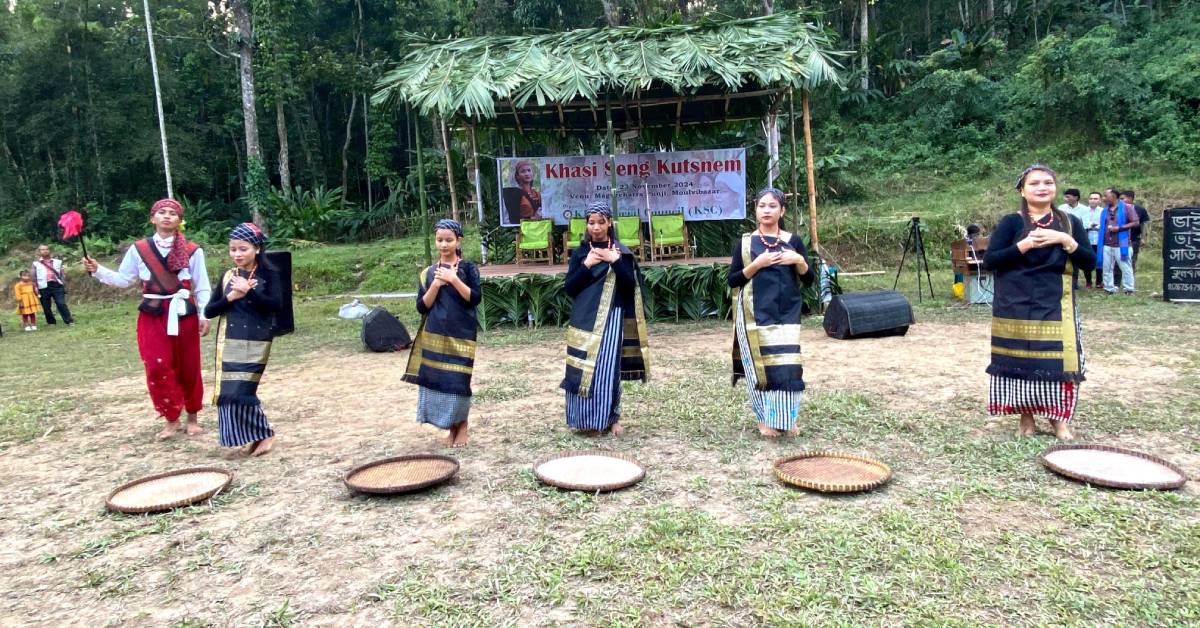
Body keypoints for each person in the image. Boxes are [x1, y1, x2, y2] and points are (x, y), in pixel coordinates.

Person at [83, 198, 211, 440]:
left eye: (172, 213)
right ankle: (171, 418)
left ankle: (192, 417)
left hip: (183, 311)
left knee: (189, 365)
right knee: (156, 365)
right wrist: (97, 269)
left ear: (179, 221)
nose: (166, 216)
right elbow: (124, 279)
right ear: (153, 218)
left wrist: (205, 314)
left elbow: (202, 286)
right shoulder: (139, 249)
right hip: (152, 314)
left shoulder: (193, 250)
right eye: (161, 212)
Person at [983, 165, 1094, 441]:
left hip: (1056, 303)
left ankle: (1059, 420)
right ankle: (1026, 417)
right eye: (1034, 183)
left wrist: (1065, 240)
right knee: (1021, 361)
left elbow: (1090, 262)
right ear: (1023, 190)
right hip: (1015, 304)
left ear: (1055, 188)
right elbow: (991, 261)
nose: (1042, 187)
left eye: (1048, 182)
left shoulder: (1069, 223)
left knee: (1059, 363)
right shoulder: (1012, 222)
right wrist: (1024, 245)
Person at [728, 187, 815, 438]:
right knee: (760, 368)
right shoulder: (745, 243)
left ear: (782, 210)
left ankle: (787, 419)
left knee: (788, 367)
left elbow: (809, 280)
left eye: (772, 206)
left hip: (787, 313)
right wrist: (757, 264)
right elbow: (733, 281)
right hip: (754, 315)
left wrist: (798, 260)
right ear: (755, 210)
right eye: (762, 206)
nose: (766, 210)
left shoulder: (793, 241)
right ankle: (765, 420)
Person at [561, 201, 649, 436]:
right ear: (586, 224)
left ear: (610, 223)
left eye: (601, 222)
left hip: (612, 316)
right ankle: (584, 420)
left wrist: (615, 260)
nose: (596, 227)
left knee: (607, 370)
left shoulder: (621, 251)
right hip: (584, 318)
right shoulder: (581, 252)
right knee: (582, 369)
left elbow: (630, 286)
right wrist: (587, 265)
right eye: (591, 222)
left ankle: (609, 418)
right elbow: (570, 288)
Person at [205, 223, 282, 457]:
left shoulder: (269, 274)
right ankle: (253, 437)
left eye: (243, 249)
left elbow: (275, 305)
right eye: (233, 250)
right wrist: (230, 296)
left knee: (243, 389)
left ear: (256, 249)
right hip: (230, 339)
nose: (237, 254)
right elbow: (210, 311)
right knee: (228, 392)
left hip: (257, 339)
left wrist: (250, 292)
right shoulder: (228, 276)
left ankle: (265, 434)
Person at [403, 219, 481, 448]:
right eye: (439, 240)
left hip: (461, 334)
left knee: (458, 381)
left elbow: (474, 298)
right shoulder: (428, 273)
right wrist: (436, 285)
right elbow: (421, 307)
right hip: (435, 334)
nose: (444, 244)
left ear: (458, 241)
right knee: (439, 382)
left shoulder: (468, 268)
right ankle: (451, 428)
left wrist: (454, 279)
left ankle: (462, 426)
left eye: (449, 240)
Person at [1098, 187, 1137, 294]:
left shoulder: (1127, 208)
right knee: (1107, 268)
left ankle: (1129, 289)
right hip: (1106, 244)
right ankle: (1109, 288)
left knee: (1125, 267)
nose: (1104, 198)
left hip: (1122, 244)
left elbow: (1135, 222)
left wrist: (1119, 228)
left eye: (1106, 196)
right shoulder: (1104, 210)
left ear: (1114, 196)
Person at [31, 244, 74, 326]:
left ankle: (69, 321)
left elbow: (62, 274)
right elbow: (33, 276)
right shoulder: (35, 264)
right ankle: (51, 322)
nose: (45, 251)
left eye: (46, 249)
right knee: (46, 306)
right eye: (42, 249)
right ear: (39, 252)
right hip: (43, 286)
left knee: (61, 303)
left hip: (56, 284)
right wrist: (35, 287)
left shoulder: (58, 262)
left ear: (49, 250)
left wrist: (64, 284)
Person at [1059, 189, 1088, 289]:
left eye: (1068, 197)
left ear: (1076, 198)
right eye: (1065, 197)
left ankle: (1074, 283)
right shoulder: (1061, 208)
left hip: (1078, 237)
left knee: (1075, 261)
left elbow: (1086, 223)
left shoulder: (1084, 209)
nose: (1065, 199)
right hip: (1064, 237)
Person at [501, 160, 543, 225]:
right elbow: (513, 219)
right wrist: (532, 219)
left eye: (529, 170)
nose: (527, 174)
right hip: (523, 228)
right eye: (523, 171)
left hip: (540, 227)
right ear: (517, 175)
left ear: (532, 173)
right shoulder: (514, 194)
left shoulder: (537, 194)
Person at [1119, 190, 1151, 272]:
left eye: (1122, 198)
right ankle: (1116, 283)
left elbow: (1144, 224)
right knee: (1117, 262)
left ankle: (1130, 282)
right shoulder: (1116, 209)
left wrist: (1144, 238)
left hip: (1134, 239)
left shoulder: (1140, 210)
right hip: (1118, 239)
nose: (1120, 201)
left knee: (1132, 261)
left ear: (1130, 198)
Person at [1083, 192, 1105, 288]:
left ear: (1100, 200)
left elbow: (1104, 223)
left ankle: (1099, 282)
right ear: (1088, 200)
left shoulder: (1103, 211)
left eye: (1096, 199)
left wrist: (1097, 226)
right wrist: (1090, 225)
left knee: (1099, 261)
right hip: (1086, 239)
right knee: (1087, 260)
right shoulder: (1084, 210)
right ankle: (1088, 282)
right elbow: (1082, 223)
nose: (1093, 200)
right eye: (1091, 198)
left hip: (1099, 240)